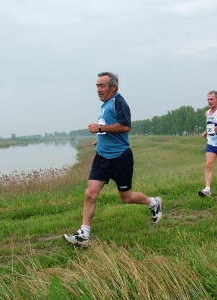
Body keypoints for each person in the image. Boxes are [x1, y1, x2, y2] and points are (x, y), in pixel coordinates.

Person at [63, 72, 163, 246]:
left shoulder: (119, 101)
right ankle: (84, 234)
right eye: (97, 86)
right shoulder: (105, 104)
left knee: (126, 197)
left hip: (120, 157)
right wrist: (101, 138)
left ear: (113, 87)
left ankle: (153, 203)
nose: (98, 89)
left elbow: (125, 126)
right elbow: (110, 128)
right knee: (90, 193)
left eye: (102, 86)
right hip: (102, 156)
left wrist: (100, 129)